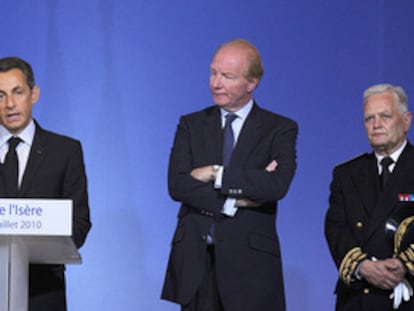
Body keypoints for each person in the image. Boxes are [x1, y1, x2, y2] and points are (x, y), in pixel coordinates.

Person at [161, 39, 298, 311]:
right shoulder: (191, 124)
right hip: (196, 265)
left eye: (228, 76)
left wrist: (216, 174)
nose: (216, 83)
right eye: (213, 73)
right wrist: (235, 199)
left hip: (251, 270)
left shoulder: (279, 129)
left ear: (252, 83)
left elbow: (275, 186)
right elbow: (178, 185)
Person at [0, 57, 91, 311]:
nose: (9, 104)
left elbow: (80, 223)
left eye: (18, 92)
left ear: (34, 94)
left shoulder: (65, 151)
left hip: (43, 294)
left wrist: (41, 239)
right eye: (0, 95)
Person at [325, 83, 414, 310]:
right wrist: (362, 266)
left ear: (406, 121)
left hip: (406, 293)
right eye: (369, 118)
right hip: (358, 296)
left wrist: (403, 265)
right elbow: (336, 228)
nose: (376, 125)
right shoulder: (346, 174)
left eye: (385, 116)